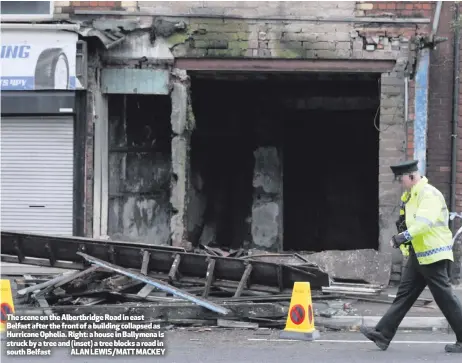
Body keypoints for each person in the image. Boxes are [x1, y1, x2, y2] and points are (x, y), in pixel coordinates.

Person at [360, 160, 462, 353]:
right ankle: (382, 334)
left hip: (434, 255)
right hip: (419, 255)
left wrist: (402, 237)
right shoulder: (411, 196)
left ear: (413, 177)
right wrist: (405, 237)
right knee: (404, 295)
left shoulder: (429, 194)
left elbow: (423, 224)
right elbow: (410, 223)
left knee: (445, 298)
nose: (400, 183)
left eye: (401, 180)